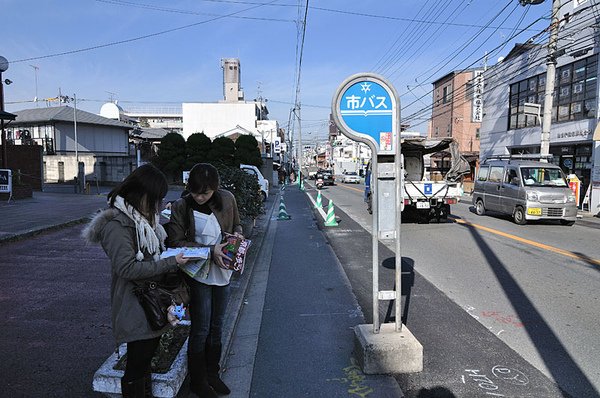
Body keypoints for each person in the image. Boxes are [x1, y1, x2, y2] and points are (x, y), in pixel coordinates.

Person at [83, 164, 189, 397]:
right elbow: (126, 268)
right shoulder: (117, 224)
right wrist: (170, 263)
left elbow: (150, 251)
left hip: (150, 301)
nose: (158, 205)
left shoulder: (141, 220)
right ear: (141, 194)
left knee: (145, 359)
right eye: (155, 199)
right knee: (137, 364)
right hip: (135, 305)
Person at [165, 163, 243, 398]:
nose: (199, 197)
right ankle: (198, 382)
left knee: (217, 326)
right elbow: (175, 243)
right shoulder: (181, 206)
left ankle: (213, 374)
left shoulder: (227, 199)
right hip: (197, 272)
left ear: (215, 189)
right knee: (201, 328)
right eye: (195, 192)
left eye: (205, 193)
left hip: (223, 271)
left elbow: (237, 223)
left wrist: (238, 235)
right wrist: (210, 250)